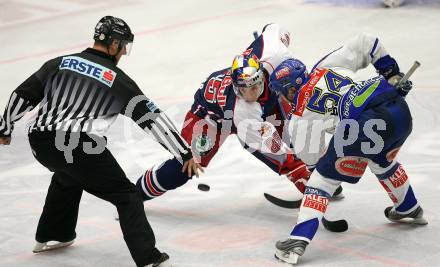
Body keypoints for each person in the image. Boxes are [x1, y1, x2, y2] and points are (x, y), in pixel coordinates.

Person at [0, 15, 202, 267]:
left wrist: (4, 128)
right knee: (127, 195)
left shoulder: (59, 63)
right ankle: (149, 259)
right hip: (79, 146)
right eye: (124, 47)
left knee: (67, 175)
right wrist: (183, 153)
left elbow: (22, 94)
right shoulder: (118, 81)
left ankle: (53, 234)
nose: (124, 53)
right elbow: (152, 119)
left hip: (40, 143)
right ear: (114, 44)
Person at [269, 33, 427, 265]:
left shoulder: (299, 115)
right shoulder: (325, 66)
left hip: (363, 125)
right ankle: (408, 206)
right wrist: (391, 73)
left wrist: (322, 172)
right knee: (381, 160)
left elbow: (310, 157)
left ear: (290, 90)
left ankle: (297, 240)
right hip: (398, 110)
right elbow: (367, 42)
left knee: (321, 183)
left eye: (282, 93)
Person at [134, 24, 314, 201]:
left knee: (295, 135)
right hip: (211, 119)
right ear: (235, 87)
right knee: (185, 167)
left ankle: (315, 174)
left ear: (261, 75)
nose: (250, 94)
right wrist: (300, 173)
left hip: (259, 108)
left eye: (255, 86)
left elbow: (274, 28)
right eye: (243, 89)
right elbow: (278, 153)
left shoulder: (274, 54)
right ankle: (134, 195)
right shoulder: (244, 110)